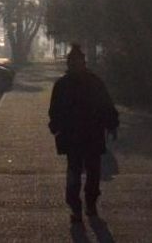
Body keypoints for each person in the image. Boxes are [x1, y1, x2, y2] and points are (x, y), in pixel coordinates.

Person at [48, 44, 119, 224]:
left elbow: (106, 106)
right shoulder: (90, 82)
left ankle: (85, 205)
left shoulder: (66, 84)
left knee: (84, 173)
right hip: (84, 135)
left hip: (84, 135)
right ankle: (81, 206)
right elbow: (55, 110)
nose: (76, 66)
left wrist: (112, 123)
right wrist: (111, 124)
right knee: (82, 172)